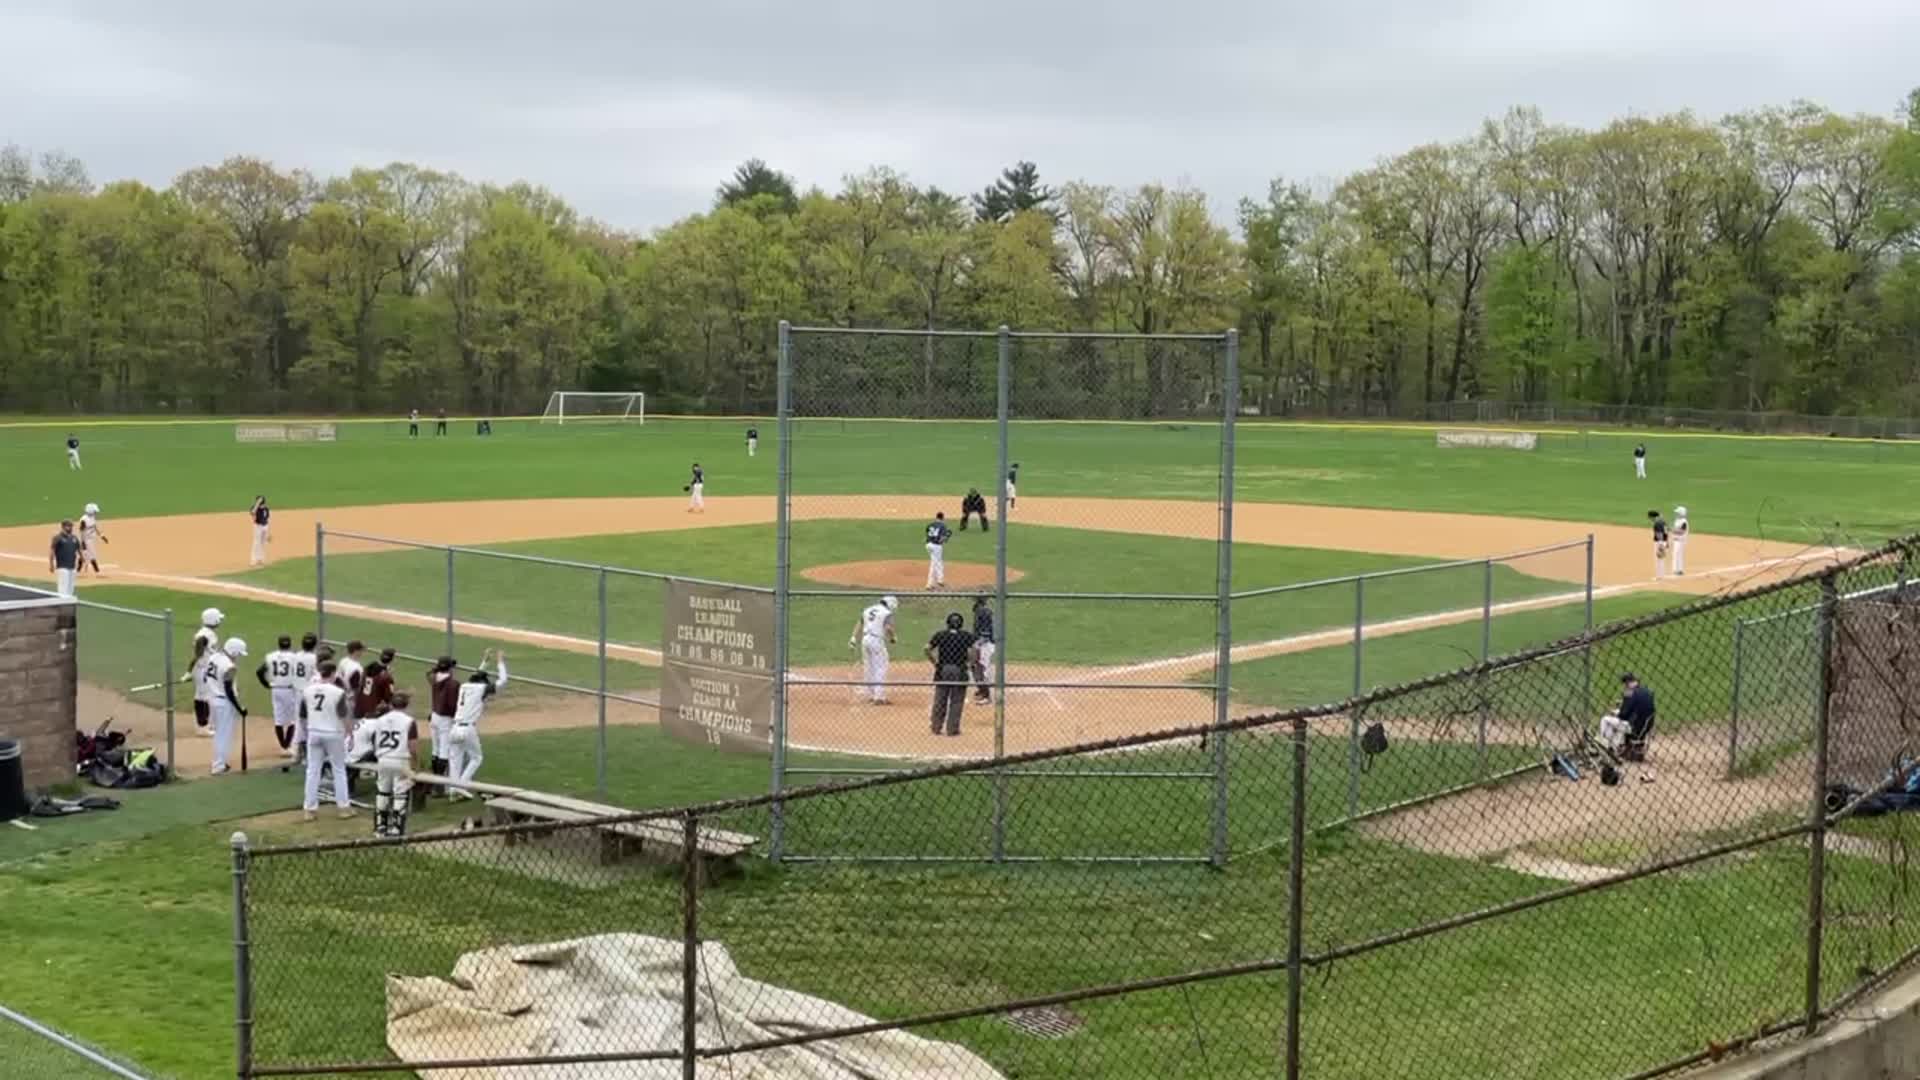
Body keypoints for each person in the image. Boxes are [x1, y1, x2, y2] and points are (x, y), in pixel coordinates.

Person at [354, 690, 420, 837]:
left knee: (383, 792)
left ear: (391, 704)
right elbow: (413, 746)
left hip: (383, 760)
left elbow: (374, 740)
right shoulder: (409, 721)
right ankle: (396, 829)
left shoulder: (380, 720)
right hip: (400, 760)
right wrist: (416, 764)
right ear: (406, 705)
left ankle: (380, 827)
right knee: (400, 793)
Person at [447, 649, 507, 799]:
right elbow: (502, 681)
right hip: (467, 729)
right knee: (476, 758)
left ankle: (453, 789)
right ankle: (462, 784)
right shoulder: (481, 688)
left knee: (455, 759)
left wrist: (485, 661)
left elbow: (476, 675)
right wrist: (500, 662)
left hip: (454, 728)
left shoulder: (464, 686)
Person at [299, 659, 354, 819]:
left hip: (314, 732)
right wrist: (350, 732)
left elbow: (302, 717)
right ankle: (343, 808)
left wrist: (307, 731)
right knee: (339, 770)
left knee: (312, 771)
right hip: (333, 733)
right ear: (333, 673)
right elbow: (344, 715)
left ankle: (309, 810)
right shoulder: (338, 692)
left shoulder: (307, 691)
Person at [925, 612, 981, 737]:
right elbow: (976, 649)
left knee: (940, 699)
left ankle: (936, 727)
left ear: (947, 623)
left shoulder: (941, 635)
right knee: (957, 700)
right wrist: (970, 663)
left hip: (943, 669)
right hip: (959, 669)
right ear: (961, 624)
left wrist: (935, 663)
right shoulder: (966, 636)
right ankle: (952, 729)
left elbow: (927, 648)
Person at [205, 637, 249, 775]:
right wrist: (239, 708)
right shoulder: (229, 667)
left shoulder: (214, 657)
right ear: (234, 652)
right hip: (224, 702)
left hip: (212, 699)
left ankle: (220, 762)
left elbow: (207, 677)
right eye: (239, 654)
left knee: (219, 733)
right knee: (224, 735)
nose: (239, 657)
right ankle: (218, 765)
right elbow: (229, 691)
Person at [258, 635, 302, 758]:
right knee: (292, 719)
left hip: (276, 689)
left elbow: (259, 672)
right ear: (290, 644)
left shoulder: (270, 656)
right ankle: (286, 746)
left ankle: (282, 745)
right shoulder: (295, 657)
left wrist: (266, 684)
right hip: (289, 689)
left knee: (278, 719)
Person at [848, 595, 898, 705]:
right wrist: (893, 637)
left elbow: (860, 623)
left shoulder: (868, 609)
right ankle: (879, 697)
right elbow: (888, 627)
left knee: (869, 667)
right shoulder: (886, 613)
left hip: (865, 640)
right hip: (876, 640)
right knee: (881, 666)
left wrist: (853, 638)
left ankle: (871, 694)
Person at [185, 607, 224, 737]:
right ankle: (202, 727)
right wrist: (189, 671)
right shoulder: (203, 636)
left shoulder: (209, 633)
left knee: (205, 697)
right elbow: (197, 655)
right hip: (202, 670)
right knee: (202, 698)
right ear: (214, 620)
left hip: (207, 669)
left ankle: (205, 724)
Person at [428, 655, 460, 786]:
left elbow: (428, 673)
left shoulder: (434, 678)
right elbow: (453, 705)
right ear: (450, 668)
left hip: (434, 715)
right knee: (444, 750)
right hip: (445, 718)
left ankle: (434, 778)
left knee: (435, 748)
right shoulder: (453, 684)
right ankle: (439, 784)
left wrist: (436, 668)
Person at [1616, 672, 1657, 773]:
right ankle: (1631, 748)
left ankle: (1611, 748)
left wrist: (1616, 712)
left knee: (1607, 720)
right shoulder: (1647, 691)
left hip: (1635, 726)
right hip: (1647, 725)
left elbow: (1623, 715)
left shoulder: (1630, 693)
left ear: (1627, 683)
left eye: (1625, 684)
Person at [970, 595, 997, 705]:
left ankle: (986, 696)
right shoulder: (979, 610)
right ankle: (981, 690)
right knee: (975, 667)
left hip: (985, 644)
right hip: (980, 643)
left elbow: (985, 634)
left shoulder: (984, 612)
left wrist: (977, 644)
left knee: (981, 669)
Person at [48, 519, 80, 597]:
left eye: (71, 526)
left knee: (71, 588)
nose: (71, 528)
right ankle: (62, 604)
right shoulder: (57, 538)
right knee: (63, 588)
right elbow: (52, 551)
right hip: (62, 567)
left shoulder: (74, 538)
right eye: (69, 526)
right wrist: (51, 564)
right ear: (63, 527)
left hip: (72, 567)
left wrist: (82, 559)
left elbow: (79, 549)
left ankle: (69, 605)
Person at [77, 503, 107, 576]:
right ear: (90, 511)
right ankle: (97, 572)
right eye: (94, 511)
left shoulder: (93, 517)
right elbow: (81, 532)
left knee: (86, 556)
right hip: (85, 539)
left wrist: (102, 536)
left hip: (90, 540)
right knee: (90, 555)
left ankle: (77, 571)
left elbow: (95, 527)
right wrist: (82, 542)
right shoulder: (84, 520)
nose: (96, 512)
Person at [924, 511, 952, 589]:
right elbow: (942, 539)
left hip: (928, 545)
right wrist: (947, 536)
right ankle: (939, 580)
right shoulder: (943, 525)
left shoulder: (930, 524)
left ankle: (931, 584)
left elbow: (928, 533)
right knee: (938, 563)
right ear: (943, 518)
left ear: (936, 517)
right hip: (936, 546)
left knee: (934, 563)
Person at [248, 496, 271, 567]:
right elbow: (252, 513)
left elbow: (267, 519)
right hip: (258, 527)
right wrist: (257, 504)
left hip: (265, 526)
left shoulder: (266, 509)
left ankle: (260, 559)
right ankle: (253, 560)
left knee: (263, 543)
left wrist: (268, 533)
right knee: (256, 543)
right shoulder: (255, 508)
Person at [1648, 509, 1669, 580]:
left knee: (1658, 559)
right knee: (1662, 559)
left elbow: (1659, 534)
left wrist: (1660, 544)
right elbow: (1666, 532)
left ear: (1652, 517)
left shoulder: (1657, 523)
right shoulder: (1663, 521)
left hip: (1659, 542)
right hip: (1664, 541)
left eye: (1650, 518)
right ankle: (1662, 575)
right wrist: (1666, 542)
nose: (1650, 519)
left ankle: (1658, 576)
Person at [1672, 505, 1689, 576]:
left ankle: (1677, 570)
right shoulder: (1677, 520)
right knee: (1677, 554)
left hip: (1681, 541)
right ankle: (1679, 569)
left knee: (1677, 554)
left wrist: (1672, 530)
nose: (1676, 514)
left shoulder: (1684, 522)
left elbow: (1682, 531)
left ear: (1681, 513)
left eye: (1678, 513)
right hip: (1676, 540)